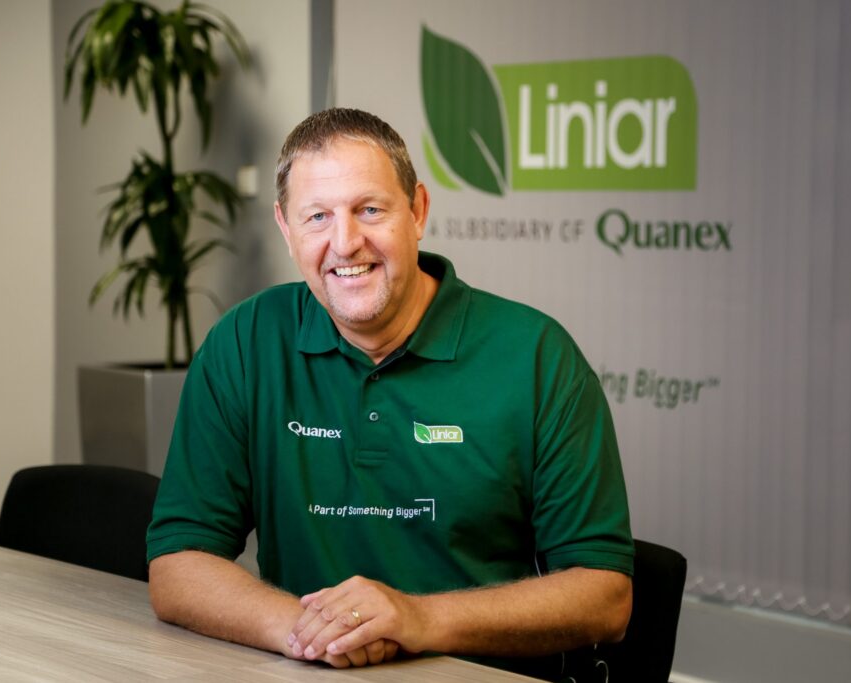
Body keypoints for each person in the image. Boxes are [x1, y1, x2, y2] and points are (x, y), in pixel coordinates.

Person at [146, 107, 634, 679]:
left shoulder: (537, 357)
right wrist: (310, 634)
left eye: (370, 210)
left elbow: (605, 597)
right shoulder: (245, 341)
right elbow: (178, 565)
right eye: (317, 217)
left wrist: (416, 619)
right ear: (285, 227)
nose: (345, 242)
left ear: (418, 211)